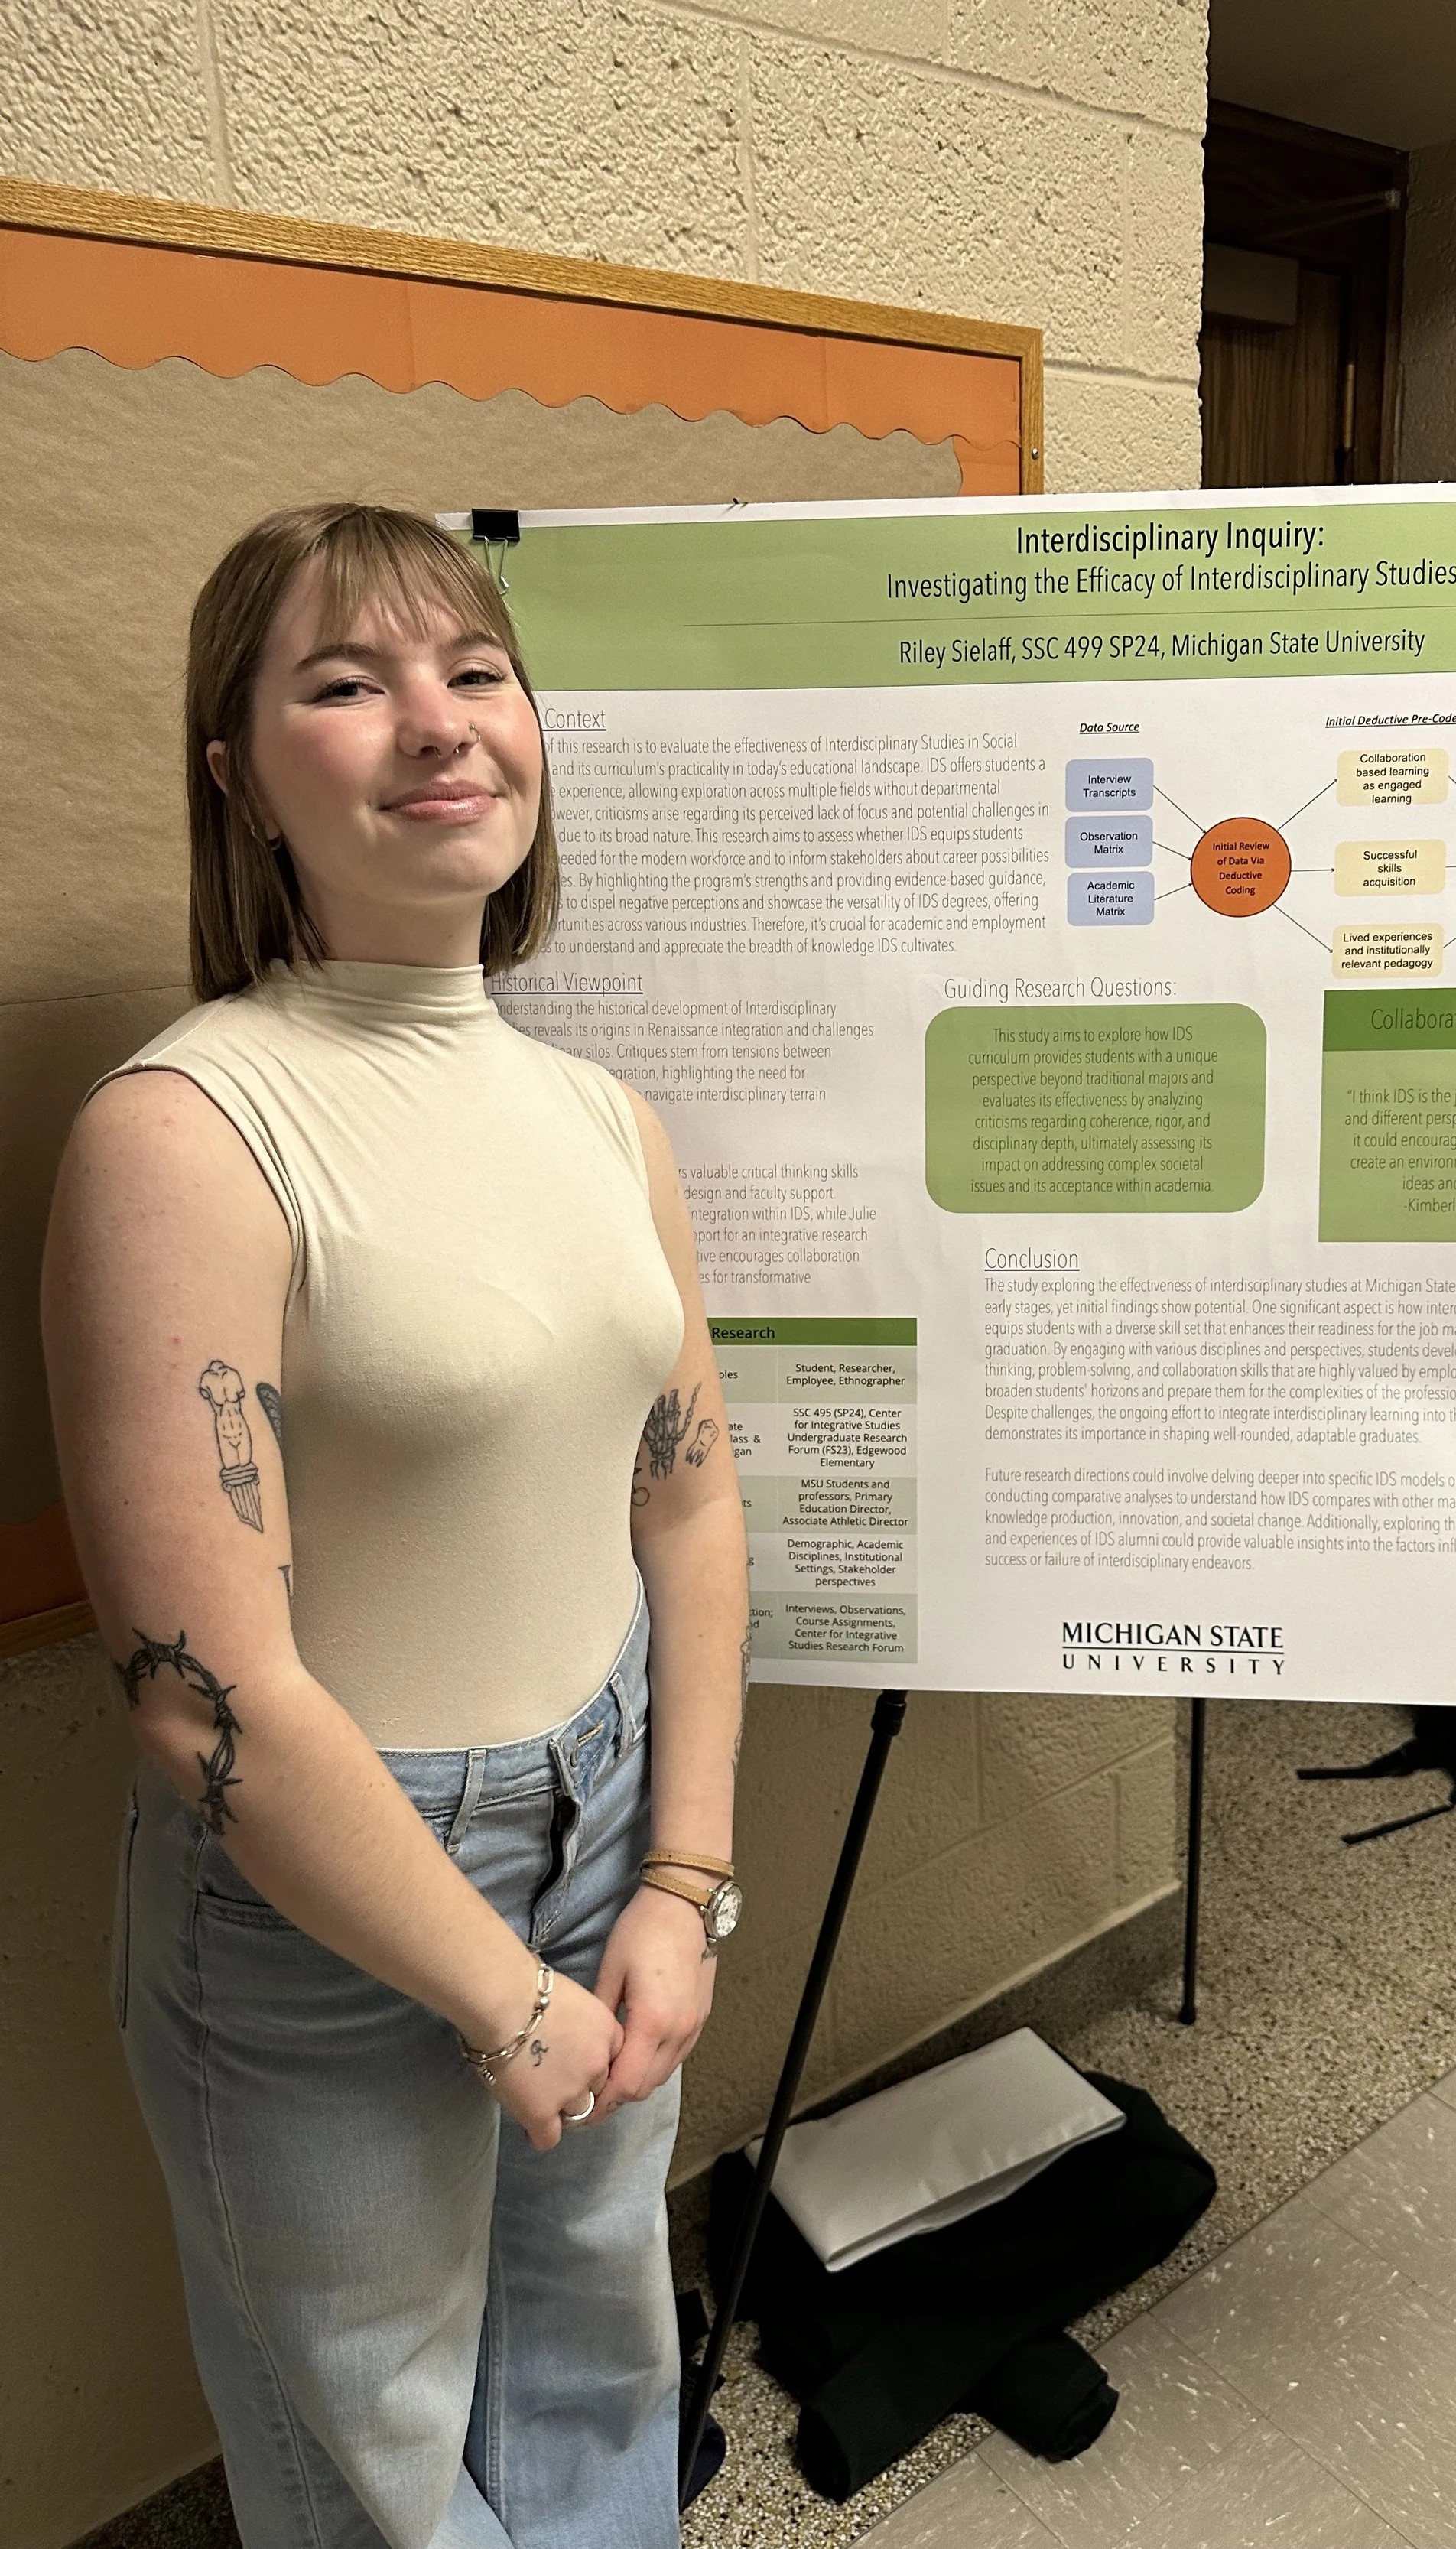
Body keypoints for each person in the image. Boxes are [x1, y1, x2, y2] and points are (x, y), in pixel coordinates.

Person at [41, 502, 749, 2549]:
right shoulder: (186, 1130)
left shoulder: (602, 1115)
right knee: (374, 2457)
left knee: (600, 2358)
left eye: (475, 673)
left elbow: (687, 1509)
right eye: (344, 687)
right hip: (330, 1896)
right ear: (241, 777)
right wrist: (496, 1992)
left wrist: (680, 1875)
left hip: (610, 1815)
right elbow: (205, 1701)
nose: (437, 728)